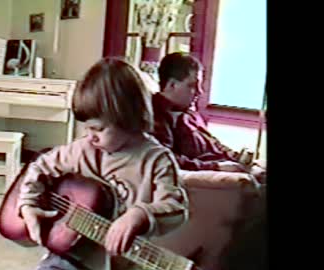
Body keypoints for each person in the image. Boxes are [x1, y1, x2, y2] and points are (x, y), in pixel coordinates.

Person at [13, 58, 189, 270]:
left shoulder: (158, 160)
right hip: (69, 258)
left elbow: (176, 208)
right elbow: (39, 167)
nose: (90, 137)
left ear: (128, 117)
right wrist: (28, 204)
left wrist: (140, 214)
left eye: (98, 129)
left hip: (124, 263)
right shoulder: (83, 149)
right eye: (87, 128)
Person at [151, 52, 266, 183]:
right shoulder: (157, 115)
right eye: (192, 85)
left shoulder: (190, 114)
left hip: (226, 164)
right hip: (208, 177)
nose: (200, 91)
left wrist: (236, 156)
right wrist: (216, 167)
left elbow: (213, 144)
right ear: (172, 85)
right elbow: (165, 159)